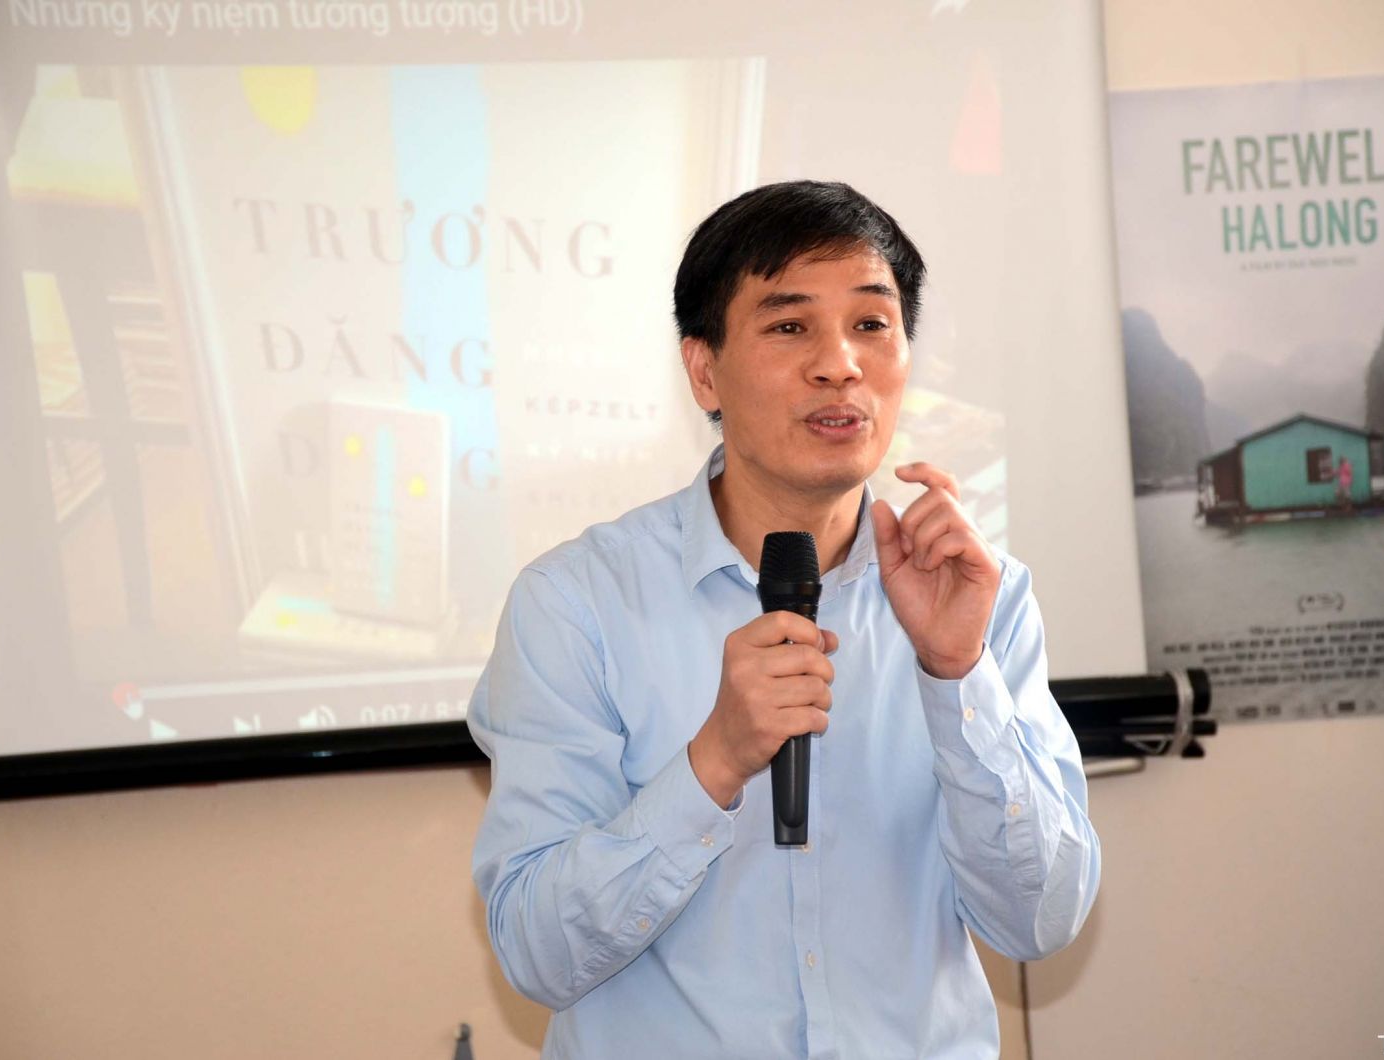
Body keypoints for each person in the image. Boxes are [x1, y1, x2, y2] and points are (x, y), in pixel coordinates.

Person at [468, 180, 1101, 1059]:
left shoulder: (982, 594)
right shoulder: (576, 603)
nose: (839, 363)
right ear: (704, 371)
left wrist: (959, 677)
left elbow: (1041, 920)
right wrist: (714, 762)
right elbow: (538, 954)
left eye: (871, 324)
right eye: (790, 326)